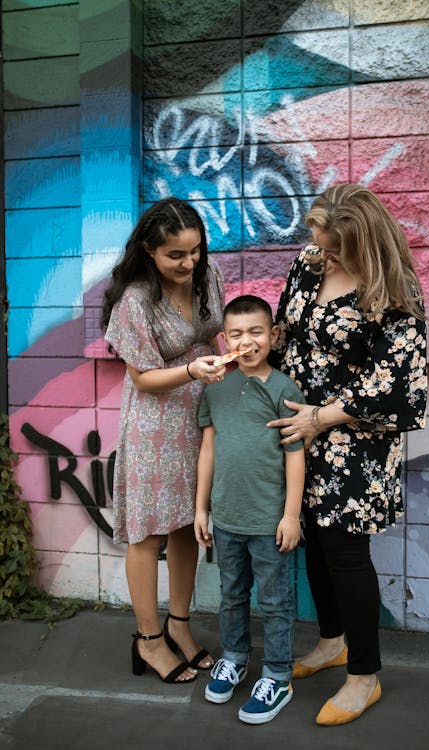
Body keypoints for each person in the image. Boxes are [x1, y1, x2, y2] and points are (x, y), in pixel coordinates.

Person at [267, 182, 427, 725]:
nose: (321, 253)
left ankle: (364, 677)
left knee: (345, 551)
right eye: (318, 241)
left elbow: (398, 381)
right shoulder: (310, 262)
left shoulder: (394, 285)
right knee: (312, 536)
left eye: (333, 247)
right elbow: (287, 331)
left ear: (362, 242)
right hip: (301, 427)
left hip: (354, 438)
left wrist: (323, 416)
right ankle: (331, 641)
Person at [101, 197, 227, 684]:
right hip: (155, 425)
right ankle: (149, 640)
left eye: (195, 251)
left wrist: (228, 367)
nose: (189, 262)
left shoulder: (207, 277)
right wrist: (193, 369)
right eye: (176, 254)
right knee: (149, 531)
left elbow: (213, 337)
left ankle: (179, 626)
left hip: (202, 415)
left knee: (184, 526)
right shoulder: (135, 300)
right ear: (150, 250)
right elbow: (143, 378)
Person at [194, 295, 306, 724]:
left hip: (268, 521)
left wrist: (291, 515)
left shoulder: (283, 388)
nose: (247, 341)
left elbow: (296, 455)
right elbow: (208, 448)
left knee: (276, 601)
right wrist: (201, 508)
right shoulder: (216, 385)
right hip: (226, 518)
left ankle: (278, 675)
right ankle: (235, 657)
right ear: (225, 339)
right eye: (237, 333)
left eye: (256, 332)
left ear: (273, 336)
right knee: (232, 596)